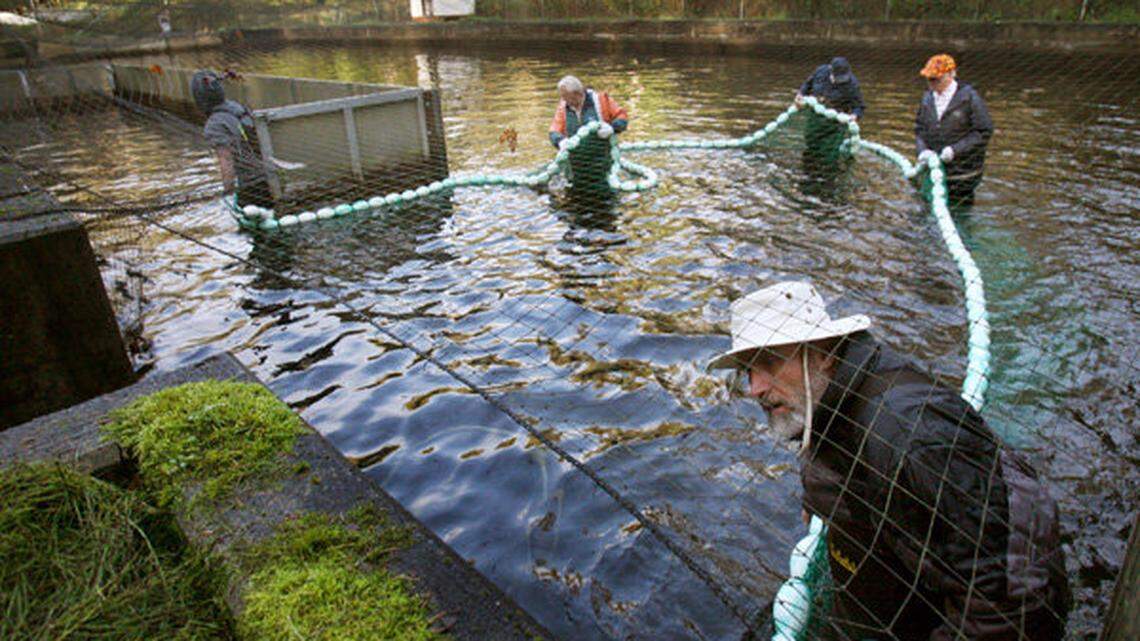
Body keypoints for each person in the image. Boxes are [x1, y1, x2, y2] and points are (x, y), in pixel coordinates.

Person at [708, 281, 1069, 641]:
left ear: (825, 352)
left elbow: (1008, 605)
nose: (754, 388)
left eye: (769, 361)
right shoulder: (826, 396)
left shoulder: (913, 437)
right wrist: (816, 499)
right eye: (747, 369)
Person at [915, 54, 994, 208]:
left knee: (960, 212)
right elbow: (919, 129)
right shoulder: (927, 98)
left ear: (952, 74)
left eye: (936, 79)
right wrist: (922, 150)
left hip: (963, 175)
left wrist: (955, 150)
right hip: (932, 171)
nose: (932, 84)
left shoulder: (970, 98)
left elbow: (983, 131)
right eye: (929, 79)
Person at [191, 69, 273, 211]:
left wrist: (228, 192)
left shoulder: (214, 125)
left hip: (253, 186)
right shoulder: (237, 107)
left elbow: (226, 161)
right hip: (272, 174)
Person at [794, 57, 865, 197]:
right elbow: (807, 85)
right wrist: (800, 95)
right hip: (815, 119)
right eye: (838, 77)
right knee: (811, 147)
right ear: (830, 71)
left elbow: (859, 106)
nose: (841, 80)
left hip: (835, 126)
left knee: (828, 157)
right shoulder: (821, 72)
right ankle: (808, 178)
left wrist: (855, 116)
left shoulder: (852, 85)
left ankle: (827, 185)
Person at [549, 75, 628, 187]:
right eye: (563, 97)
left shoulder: (601, 100)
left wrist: (612, 128)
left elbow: (622, 117)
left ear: (578, 93)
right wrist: (560, 141)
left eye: (567, 97)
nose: (565, 101)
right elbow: (554, 130)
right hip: (576, 167)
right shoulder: (563, 107)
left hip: (602, 163)